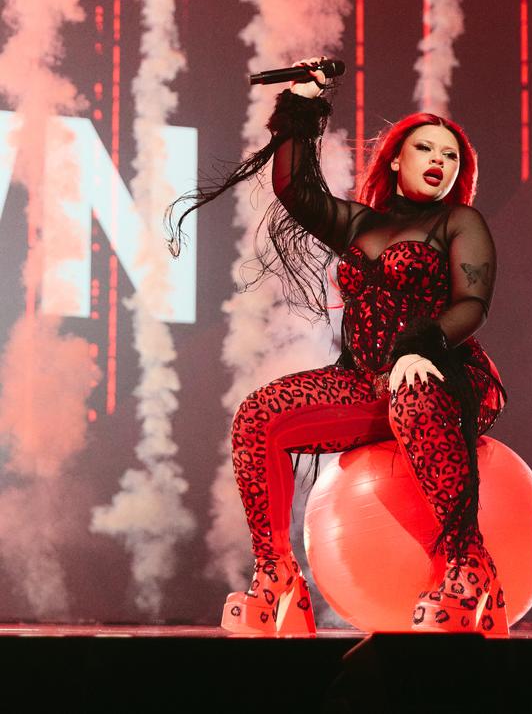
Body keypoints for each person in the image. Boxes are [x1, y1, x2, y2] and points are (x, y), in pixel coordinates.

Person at [169, 59, 507, 636]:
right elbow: (293, 190)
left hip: (446, 374)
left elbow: (471, 304)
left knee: (414, 393)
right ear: (397, 158)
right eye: (426, 149)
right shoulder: (360, 225)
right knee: (257, 417)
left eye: (450, 156)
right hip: (366, 380)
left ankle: (468, 569)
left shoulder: (460, 222)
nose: (439, 163)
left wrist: (419, 345)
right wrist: (303, 104)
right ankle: (277, 581)